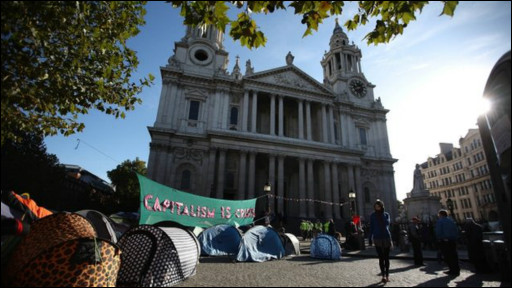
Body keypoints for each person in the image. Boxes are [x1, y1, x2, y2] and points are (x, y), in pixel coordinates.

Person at [369, 200, 392, 283]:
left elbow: (387, 223)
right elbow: (371, 227)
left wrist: (381, 214)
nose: (376, 207)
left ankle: (387, 275)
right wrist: (370, 237)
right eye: (375, 206)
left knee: (386, 257)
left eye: (378, 206)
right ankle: (383, 275)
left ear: (381, 206)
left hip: (386, 237)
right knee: (381, 258)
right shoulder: (372, 216)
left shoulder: (386, 214)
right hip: (377, 238)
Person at [435, 209, 460, 276]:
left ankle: (452, 269)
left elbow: (438, 231)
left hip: (444, 240)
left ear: (441, 215)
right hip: (453, 240)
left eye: (439, 215)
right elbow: (456, 230)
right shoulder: (451, 221)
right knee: (454, 255)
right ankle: (456, 269)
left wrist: (438, 238)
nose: (438, 216)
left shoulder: (440, 221)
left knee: (447, 256)